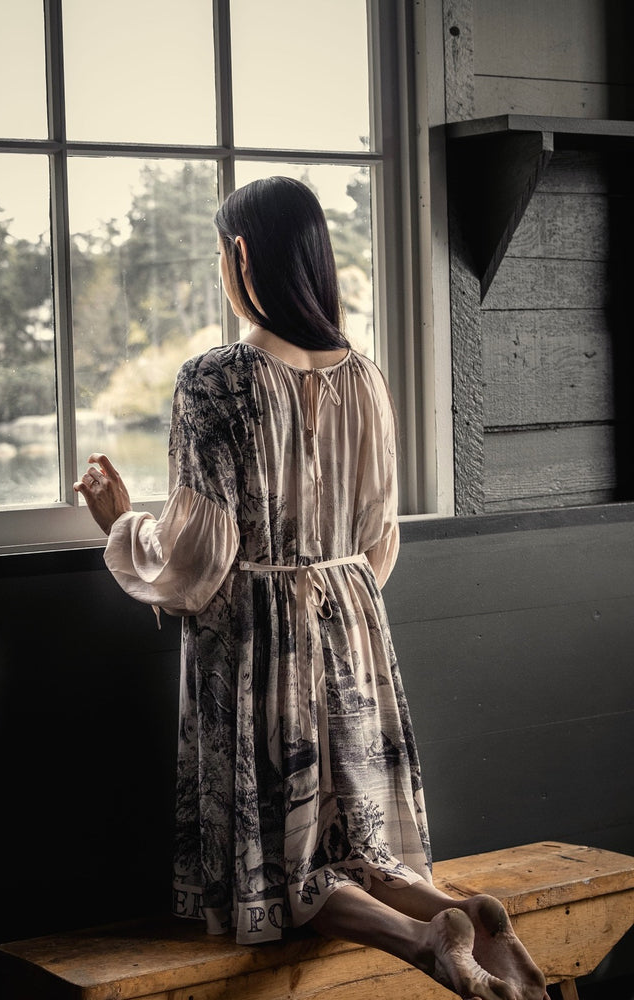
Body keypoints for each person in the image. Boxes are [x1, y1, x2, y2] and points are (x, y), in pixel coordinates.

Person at [74, 176, 548, 1000]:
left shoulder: (214, 380)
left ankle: (426, 937)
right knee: (356, 836)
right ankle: (460, 909)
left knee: (284, 863)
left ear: (241, 255)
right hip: (353, 621)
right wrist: (331, 599)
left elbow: (196, 557)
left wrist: (122, 524)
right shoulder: (366, 376)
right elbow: (377, 538)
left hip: (259, 637)